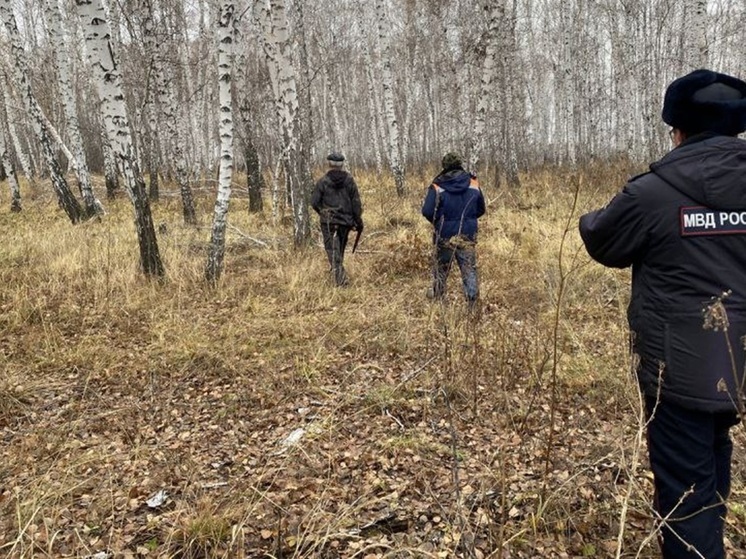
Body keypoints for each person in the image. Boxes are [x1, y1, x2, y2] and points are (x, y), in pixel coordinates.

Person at [579, 69, 746, 559]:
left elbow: (602, 239)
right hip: (736, 366)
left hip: (677, 372)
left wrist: (598, 214)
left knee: (685, 498)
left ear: (677, 130)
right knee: (715, 456)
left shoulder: (653, 193)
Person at [421, 152, 486, 305]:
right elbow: (481, 209)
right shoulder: (473, 183)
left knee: (442, 270)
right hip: (468, 235)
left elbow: (427, 211)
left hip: (444, 235)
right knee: (469, 269)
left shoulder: (437, 185)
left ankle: (438, 300)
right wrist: (468, 220)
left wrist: (438, 222)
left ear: (444, 166)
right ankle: (472, 304)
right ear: (460, 164)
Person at [311, 152, 363, 286]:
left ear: (329, 164)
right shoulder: (350, 180)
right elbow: (356, 203)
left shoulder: (323, 181)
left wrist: (323, 213)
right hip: (345, 222)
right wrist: (358, 221)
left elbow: (314, 202)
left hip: (329, 222)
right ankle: (337, 274)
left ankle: (341, 280)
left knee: (332, 250)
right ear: (342, 165)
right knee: (338, 249)